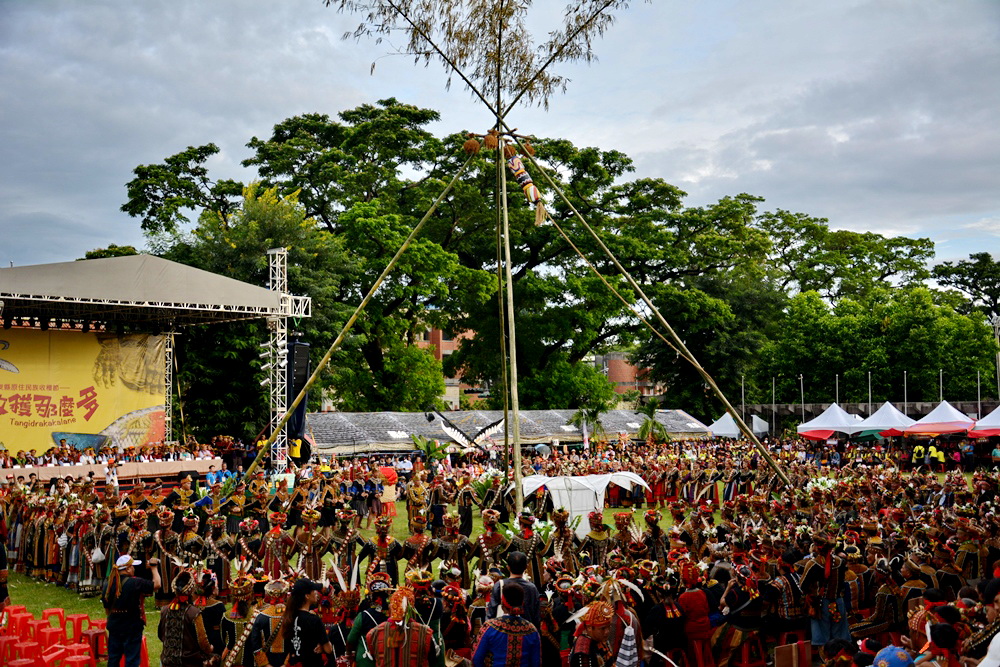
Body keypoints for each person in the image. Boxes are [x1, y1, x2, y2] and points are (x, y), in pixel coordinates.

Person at [103, 554, 162, 667]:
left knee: (113, 660)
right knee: (132, 660)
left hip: (114, 626)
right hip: (131, 627)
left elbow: (106, 607)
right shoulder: (135, 583)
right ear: (128, 568)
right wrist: (154, 568)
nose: (134, 569)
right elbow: (157, 584)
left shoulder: (108, 583)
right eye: (133, 566)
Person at [472, 581, 541, 667]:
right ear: (522, 604)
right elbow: (536, 662)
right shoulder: (531, 630)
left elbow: (476, 659)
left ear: (502, 605)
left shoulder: (489, 627)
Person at [282, 578, 335, 667]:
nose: (316, 593)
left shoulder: (288, 617)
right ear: (307, 596)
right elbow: (328, 649)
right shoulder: (314, 620)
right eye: (314, 590)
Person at [488, 551, 541, 629]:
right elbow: (536, 616)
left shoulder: (499, 585)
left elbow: (491, 613)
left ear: (508, 567)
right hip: (525, 632)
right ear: (526, 567)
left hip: (502, 632)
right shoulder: (532, 588)